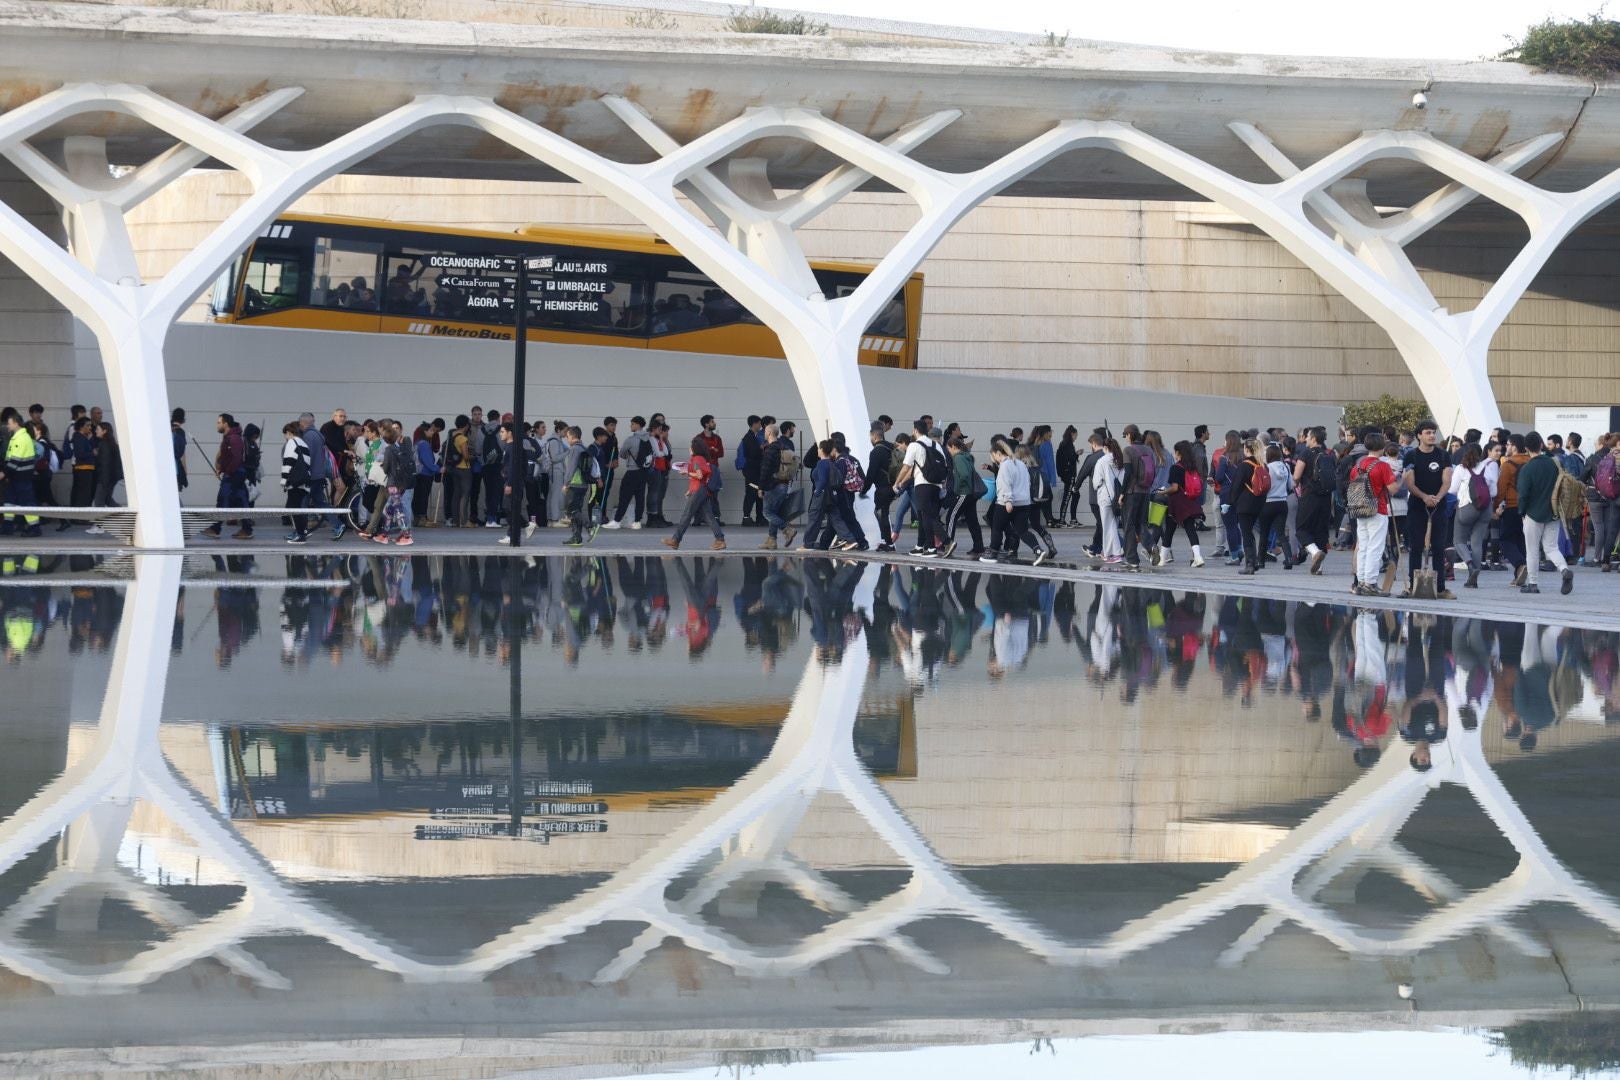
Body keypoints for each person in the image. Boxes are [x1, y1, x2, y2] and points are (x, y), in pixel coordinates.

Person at [1516, 431, 1574, 595]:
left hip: (1533, 514)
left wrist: (1522, 512)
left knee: (1532, 549)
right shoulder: (1553, 464)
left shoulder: (1527, 468)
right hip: (1553, 512)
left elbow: (1523, 494)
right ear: (1541, 445)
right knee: (1551, 547)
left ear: (1526, 448)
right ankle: (1564, 570)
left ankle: (1533, 584)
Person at [1402, 420, 1453, 599]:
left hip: (1439, 507)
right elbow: (1409, 482)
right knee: (1416, 547)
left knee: (1439, 547)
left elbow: (1447, 480)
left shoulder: (1443, 455)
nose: (1432, 435)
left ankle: (1440, 588)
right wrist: (1424, 497)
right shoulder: (1411, 456)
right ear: (1419, 436)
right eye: (1428, 432)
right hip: (1417, 507)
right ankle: (1412, 586)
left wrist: (1437, 497)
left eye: (1433, 432)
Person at [1347, 431, 1398, 596]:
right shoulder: (1383, 466)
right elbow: (1393, 489)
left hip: (1360, 509)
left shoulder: (1358, 466)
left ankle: (1361, 581)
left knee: (1363, 546)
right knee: (1376, 547)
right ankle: (1370, 582)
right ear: (1382, 447)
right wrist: (1401, 478)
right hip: (1378, 509)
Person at [982, 436, 1043, 565]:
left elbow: (1005, 484)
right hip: (1024, 503)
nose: (993, 459)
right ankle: (1038, 550)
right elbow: (1027, 482)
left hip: (1006, 503)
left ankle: (993, 552)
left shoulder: (1005, 466)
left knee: (997, 527)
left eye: (993, 456)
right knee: (1022, 531)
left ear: (998, 453)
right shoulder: (1020, 463)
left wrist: (1008, 501)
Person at [893, 418, 948, 557]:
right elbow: (944, 465)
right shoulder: (936, 445)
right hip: (936, 484)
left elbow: (907, 467)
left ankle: (945, 542)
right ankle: (924, 547)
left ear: (916, 430)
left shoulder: (914, 445)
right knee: (925, 515)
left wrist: (897, 482)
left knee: (927, 516)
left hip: (922, 484)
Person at [663, 434, 726, 551]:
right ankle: (720, 540)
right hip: (701, 490)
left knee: (686, 515)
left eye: (690, 447)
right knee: (709, 516)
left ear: (694, 448)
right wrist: (689, 490)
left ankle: (675, 540)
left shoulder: (696, 459)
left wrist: (686, 472)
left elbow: (699, 475)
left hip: (698, 490)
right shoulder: (700, 459)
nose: (689, 449)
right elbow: (700, 478)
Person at [1452, 441, 1500, 588]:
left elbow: (1452, 490)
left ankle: (1470, 565)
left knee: (1458, 541)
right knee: (1477, 543)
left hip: (1466, 508)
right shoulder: (1488, 467)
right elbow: (1493, 492)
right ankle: (1474, 580)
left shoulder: (1461, 468)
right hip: (1486, 508)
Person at [201, 413, 252, 539]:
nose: (217, 425)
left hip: (233, 474)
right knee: (242, 501)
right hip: (236, 473)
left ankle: (215, 529)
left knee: (223, 500)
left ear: (226, 424)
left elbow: (236, 458)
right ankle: (246, 529)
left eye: (219, 422)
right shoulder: (230, 437)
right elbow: (229, 458)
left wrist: (227, 472)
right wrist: (221, 469)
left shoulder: (233, 438)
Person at [1159, 440, 1205, 567]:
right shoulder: (1192, 467)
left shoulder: (1176, 467)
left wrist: (1163, 492)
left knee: (1169, 530)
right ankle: (1198, 556)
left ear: (1178, 453)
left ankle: (1162, 559)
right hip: (1190, 502)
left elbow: (1174, 488)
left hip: (1177, 504)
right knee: (1191, 529)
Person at [1295, 426, 1335, 574]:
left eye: (1308, 436)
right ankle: (1319, 567)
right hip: (1325, 497)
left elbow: (1297, 476)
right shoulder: (1329, 454)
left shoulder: (1305, 453)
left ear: (1313, 439)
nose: (1305, 439)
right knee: (1321, 530)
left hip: (1310, 495)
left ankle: (1314, 552)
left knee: (1302, 528)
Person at [1231, 438, 1271, 576]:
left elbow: (1236, 486)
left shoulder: (1245, 465)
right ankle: (1253, 561)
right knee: (1250, 532)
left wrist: (1231, 502)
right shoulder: (1263, 465)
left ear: (1247, 450)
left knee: (1246, 533)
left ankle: (1249, 564)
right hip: (1259, 503)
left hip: (1245, 504)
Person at [1497, 434, 1532, 585]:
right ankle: (1518, 575)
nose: (1506, 447)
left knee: (1505, 540)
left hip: (1512, 505)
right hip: (1529, 507)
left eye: (1509, 444)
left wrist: (1495, 507)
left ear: (1515, 446)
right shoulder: (1532, 462)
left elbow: (1501, 489)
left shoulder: (1508, 464)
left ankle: (1519, 564)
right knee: (1520, 540)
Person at [372, 422, 415, 546]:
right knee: (389, 509)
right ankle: (383, 535)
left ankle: (407, 535)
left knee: (398, 510)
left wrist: (382, 465)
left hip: (393, 484)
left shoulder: (389, 450)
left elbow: (386, 469)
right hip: (402, 483)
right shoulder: (400, 448)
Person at [606, 416, 652, 529]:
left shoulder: (631, 440)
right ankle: (637, 522)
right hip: (644, 472)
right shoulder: (649, 438)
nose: (630, 426)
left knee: (625, 496)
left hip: (632, 471)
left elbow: (622, 453)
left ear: (637, 425)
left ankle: (617, 521)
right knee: (640, 497)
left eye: (632, 424)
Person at [758, 422, 799, 550]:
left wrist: (761, 487)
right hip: (784, 484)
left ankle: (787, 529)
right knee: (774, 512)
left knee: (767, 512)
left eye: (765, 431)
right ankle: (772, 540)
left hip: (773, 485)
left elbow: (765, 470)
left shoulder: (770, 449)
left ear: (769, 433)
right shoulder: (783, 446)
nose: (764, 433)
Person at [1119, 424, 1155, 571]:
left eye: (1125, 435)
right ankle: (1151, 545)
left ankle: (1132, 560)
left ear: (1129, 435)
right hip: (1145, 491)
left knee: (1128, 525)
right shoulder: (1148, 449)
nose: (1125, 438)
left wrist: (1121, 493)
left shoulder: (1128, 450)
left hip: (1132, 492)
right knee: (1140, 523)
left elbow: (1127, 473)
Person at [944, 433, 986, 556]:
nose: (949, 451)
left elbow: (964, 475)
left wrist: (958, 489)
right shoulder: (966, 456)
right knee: (972, 521)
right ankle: (978, 547)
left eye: (948, 449)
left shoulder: (958, 458)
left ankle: (948, 544)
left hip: (964, 493)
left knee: (951, 517)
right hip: (971, 494)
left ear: (953, 447)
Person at [1, 409, 40, 537]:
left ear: (16, 423)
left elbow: (14, 462)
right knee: (9, 501)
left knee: (27, 502)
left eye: (9, 423)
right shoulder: (17, 437)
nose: (8, 425)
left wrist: (3, 474)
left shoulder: (21, 439)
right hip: (17, 476)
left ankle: (35, 528)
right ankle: (8, 526)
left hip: (21, 476)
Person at [559, 426, 598, 546]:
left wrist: (566, 483)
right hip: (583, 484)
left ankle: (590, 526)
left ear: (572, 436)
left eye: (567, 436)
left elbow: (571, 468)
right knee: (577, 510)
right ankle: (577, 537)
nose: (567, 439)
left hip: (574, 484)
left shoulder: (574, 449)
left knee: (571, 510)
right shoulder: (584, 448)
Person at [864, 421, 896, 551]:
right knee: (882, 512)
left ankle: (887, 542)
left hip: (883, 487)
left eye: (870, 437)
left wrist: (864, 489)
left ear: (874, 436)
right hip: (893, 485)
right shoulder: (891, 447)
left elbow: (871, 473)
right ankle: (887, 541)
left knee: (882, 513)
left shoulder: (876, 451)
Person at [280, 420, 313, 544]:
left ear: (289, 432)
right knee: (296, 506)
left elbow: (288, 462)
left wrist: (284, 480)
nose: (285, 437)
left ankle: (300, 534)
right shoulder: (303, 444)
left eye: (285, 434)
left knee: (293, 508)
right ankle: (301, 531)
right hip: (304, 480)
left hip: (295, 481)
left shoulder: (291, 442)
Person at [1092, 436, 1124, 563]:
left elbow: (1096, 482)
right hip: (1118, 496)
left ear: (1105, 448)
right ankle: (1107, 552)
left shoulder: (1101, 461)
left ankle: (1115, 553)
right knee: (1113, 524)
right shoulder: (1120, 460)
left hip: (1105, 497)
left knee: (1108, 526)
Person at [444, 414, 474, 527]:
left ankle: (455, 520)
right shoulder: (462, 438)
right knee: (465, 494)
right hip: (464, 468)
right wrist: (473, 457)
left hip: (454, 468)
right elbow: (466, 456)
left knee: (456, 494)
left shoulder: (451, 435)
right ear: (466, 425)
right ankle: (464, 521)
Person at [411, 421, 440, 525]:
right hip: (425, 473)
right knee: (423, 496)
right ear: (425, 431)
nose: (433, 433)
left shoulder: (417, 443)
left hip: (417, 473)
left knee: (418, 496)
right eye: (431, 431)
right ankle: (422, 518)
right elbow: (427, 460)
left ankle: (417, 518)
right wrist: (438, 469)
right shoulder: (424, 444)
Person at [739, 414, 766, 526]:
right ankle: (746, 517)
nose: (760, 425)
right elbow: (752, 453)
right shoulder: (748, 437)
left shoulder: (755, 436)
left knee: (759, 494)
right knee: (751, 493)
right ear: (754, 424)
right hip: (751, 471)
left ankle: (760, 517)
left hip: (756, 470)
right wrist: (761, 448)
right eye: (759, 423)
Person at [1056, 425, 1081, 527]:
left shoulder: (1064, 444)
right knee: (1067, 496)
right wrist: (1077, 454)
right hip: (1069, 474)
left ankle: (1073, 519)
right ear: (1072, 434)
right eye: (1076, 435)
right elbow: (1070, 458)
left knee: (1076, 494)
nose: (1076, 437)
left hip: (1067, 474)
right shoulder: (1067, 444)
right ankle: (1062, 520)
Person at [171, 407, 188, 495]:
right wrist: (185, 470)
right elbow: (182, 454)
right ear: (183, 419)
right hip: (176, 468)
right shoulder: (180, 432)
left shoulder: (165, 429)